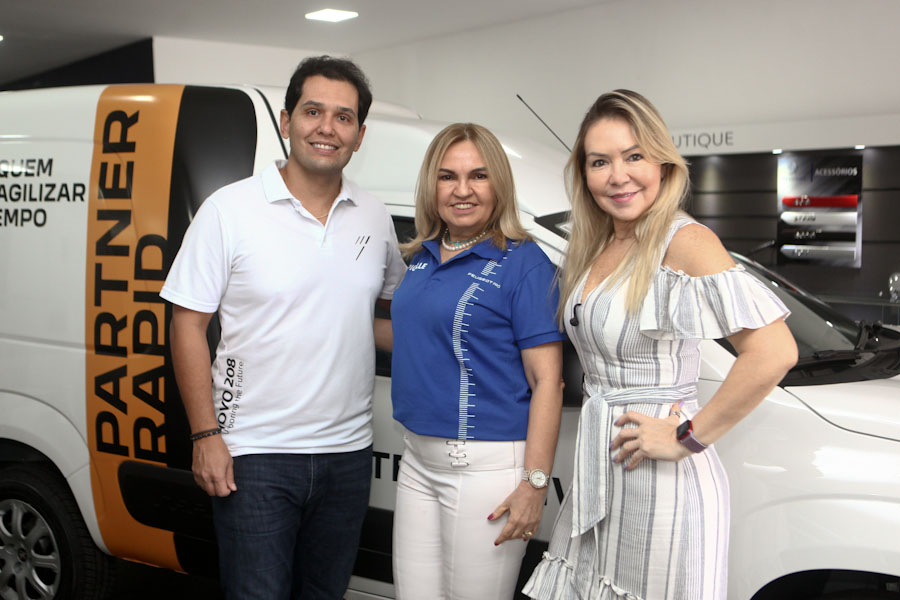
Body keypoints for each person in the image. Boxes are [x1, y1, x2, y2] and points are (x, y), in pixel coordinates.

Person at [523, 90, 798, 600]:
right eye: (600, 162)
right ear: (584, 174)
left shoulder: (684, 241)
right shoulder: (597, 242)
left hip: (661, 484)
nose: (618, 176)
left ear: (662, 163)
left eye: (634, 156)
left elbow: (775, 351)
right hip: (600, 474)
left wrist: (686, 437)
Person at [161, 56, 406, 600]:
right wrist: (205, 436)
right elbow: (187, 325)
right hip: (254, 455)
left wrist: (468, 343)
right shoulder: (229, 210)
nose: (327, 127)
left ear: (360, 135)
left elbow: (379, 317)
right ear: (287, 120)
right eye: (313, 111)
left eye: (343, 117)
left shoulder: (374, 216)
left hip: (347, 454)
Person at [383, 123, 565, 599]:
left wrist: (535, 485)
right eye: (448, 176)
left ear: (498, 184)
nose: (462, 190)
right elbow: (415, 337)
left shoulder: (525, 263)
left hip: (484, 470)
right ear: (432, 186)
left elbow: (548, 381)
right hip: (417, 459)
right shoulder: (421, 257)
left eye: (478, 176)